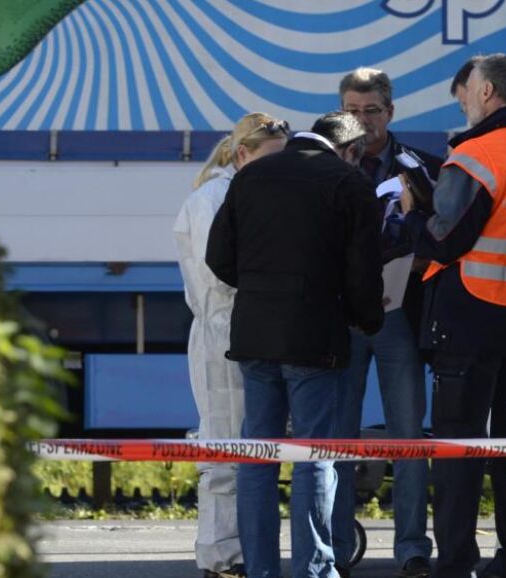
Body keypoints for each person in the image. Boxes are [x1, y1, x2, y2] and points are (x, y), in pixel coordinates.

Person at [401, 53, 506, 578]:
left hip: (467, 320)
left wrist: (412, 216)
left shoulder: (475, 155)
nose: (464, 104)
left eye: (466, 95)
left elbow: (444, 240)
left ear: (487, 92)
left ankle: (456, 565)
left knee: (459, 450)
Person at [205, 125, 385, 578]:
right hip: (314, 339)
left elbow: (218, 256)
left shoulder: (251, 176)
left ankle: (261, 570)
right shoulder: (348, 183)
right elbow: (363, 271)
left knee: (257, 458)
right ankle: (313, 569)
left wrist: (262, 289)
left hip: (254, 336)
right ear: (348, 150)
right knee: (313, 456)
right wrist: (366, 318)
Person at [334, 67, 441, 578]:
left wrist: (421, 255)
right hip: (341, 317)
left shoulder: (418, 167)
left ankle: (412, 548)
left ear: (390, 112)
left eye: (371, 110)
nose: (361, 121)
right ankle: (335, 546)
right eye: (351, 111)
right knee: (336, 437)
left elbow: (444, 234)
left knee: (407, 436)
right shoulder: (325, 166)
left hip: (398, 313)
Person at [173, 112, 288, 578]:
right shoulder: (213, 199)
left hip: (242, 329)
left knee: (246, 449)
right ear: (243, 153)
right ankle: (222, 555)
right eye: (272, 158)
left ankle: (236, 551)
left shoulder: (238, 191)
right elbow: (218, 277)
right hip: (223, 330)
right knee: (225, 448)